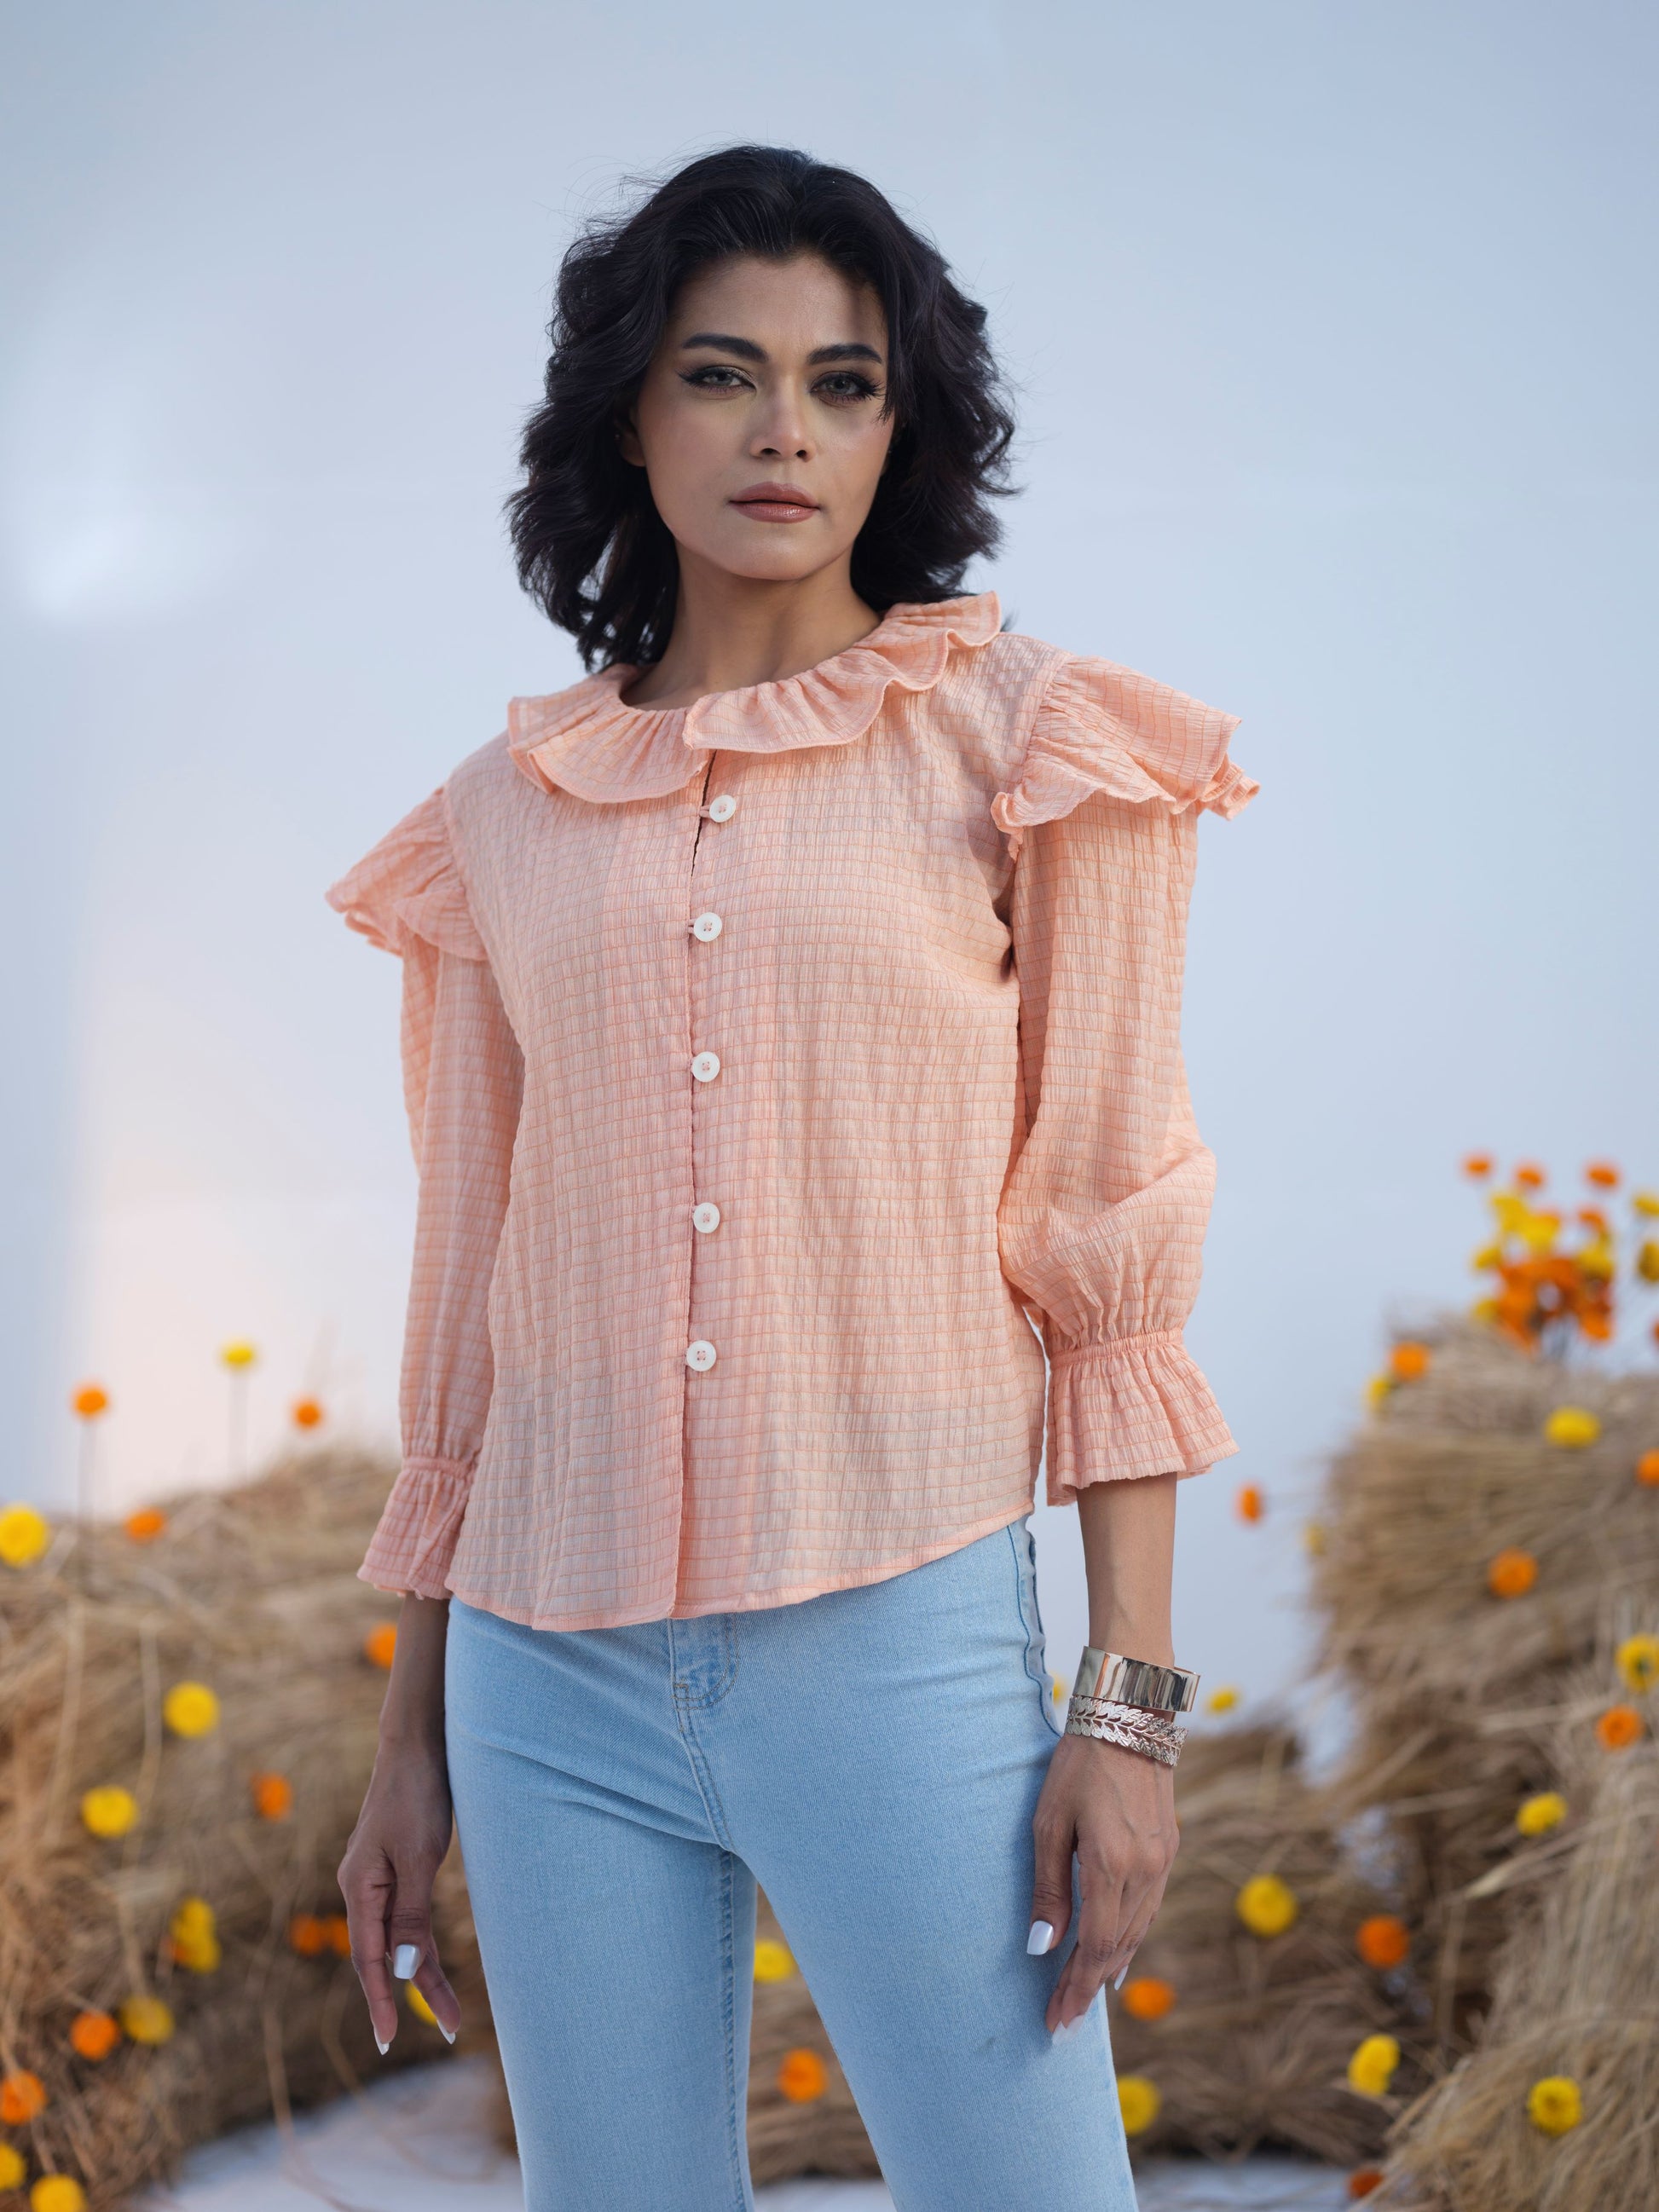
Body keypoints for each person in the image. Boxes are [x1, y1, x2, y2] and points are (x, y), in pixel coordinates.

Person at [327, 143, 1257, 2212]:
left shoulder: (1025, 737)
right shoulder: (499, 812)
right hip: (542, 1670)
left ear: (898, 426)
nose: (784, 431)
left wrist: (1126, 1711)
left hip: (895, 1626)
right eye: (721, 373)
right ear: (626, 416)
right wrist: (412, 1732)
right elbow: (472, 1283)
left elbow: (1109, 1221)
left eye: (844, 383)